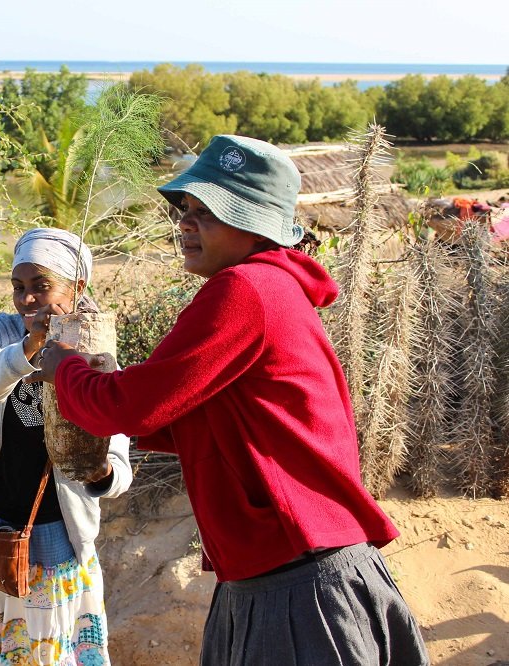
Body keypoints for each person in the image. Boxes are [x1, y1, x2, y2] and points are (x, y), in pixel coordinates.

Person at [31, 136, 430, 665]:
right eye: (186, 211)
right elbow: (205, 422)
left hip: (295, 585)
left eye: (209, 212)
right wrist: (102, 403)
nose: (186, 224)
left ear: (254, 224)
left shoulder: (244, 291)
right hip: (286, 572)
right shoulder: (272, 289)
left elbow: (132, 407)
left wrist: (67, 370)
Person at [0, 228, 133, 665]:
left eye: (41, 287)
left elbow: (119, 448)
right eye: (19, 287)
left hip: (56, 535)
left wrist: (105, 476)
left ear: (77, 287)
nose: (27, 300)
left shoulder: (96, 349)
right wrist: (31, 345)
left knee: (48, 654)